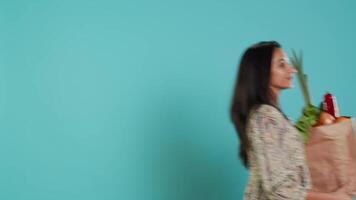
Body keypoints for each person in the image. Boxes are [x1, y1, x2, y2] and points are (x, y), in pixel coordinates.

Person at [229, 41, 316, 200]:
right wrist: (331, 196)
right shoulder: (265, 118)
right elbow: (279, 190)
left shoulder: (271, 116)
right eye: (281, 64)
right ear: (261, 72)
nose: (293, 70)